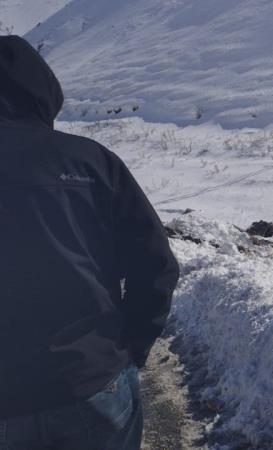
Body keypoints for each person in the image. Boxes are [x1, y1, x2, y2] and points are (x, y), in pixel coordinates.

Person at [0, 36, 179, 449]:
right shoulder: (90, 161)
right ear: (44, 93)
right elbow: (155, 263)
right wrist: (130, 347)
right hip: (91, 380)